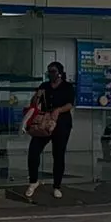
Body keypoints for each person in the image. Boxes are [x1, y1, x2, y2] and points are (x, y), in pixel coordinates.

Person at [25, 61, 75, 200]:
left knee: (58, 154)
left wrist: (58, 110)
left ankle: (57, 186)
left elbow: (70, 104)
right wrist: (36, 97)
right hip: (44, 123)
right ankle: (33, 181)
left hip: (61, 124)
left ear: (59, 72)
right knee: (34, 151)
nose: (50, 74)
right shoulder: (45, 86)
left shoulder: (67, 87)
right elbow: (35, 102)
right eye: (49, 72)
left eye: (53, 71)